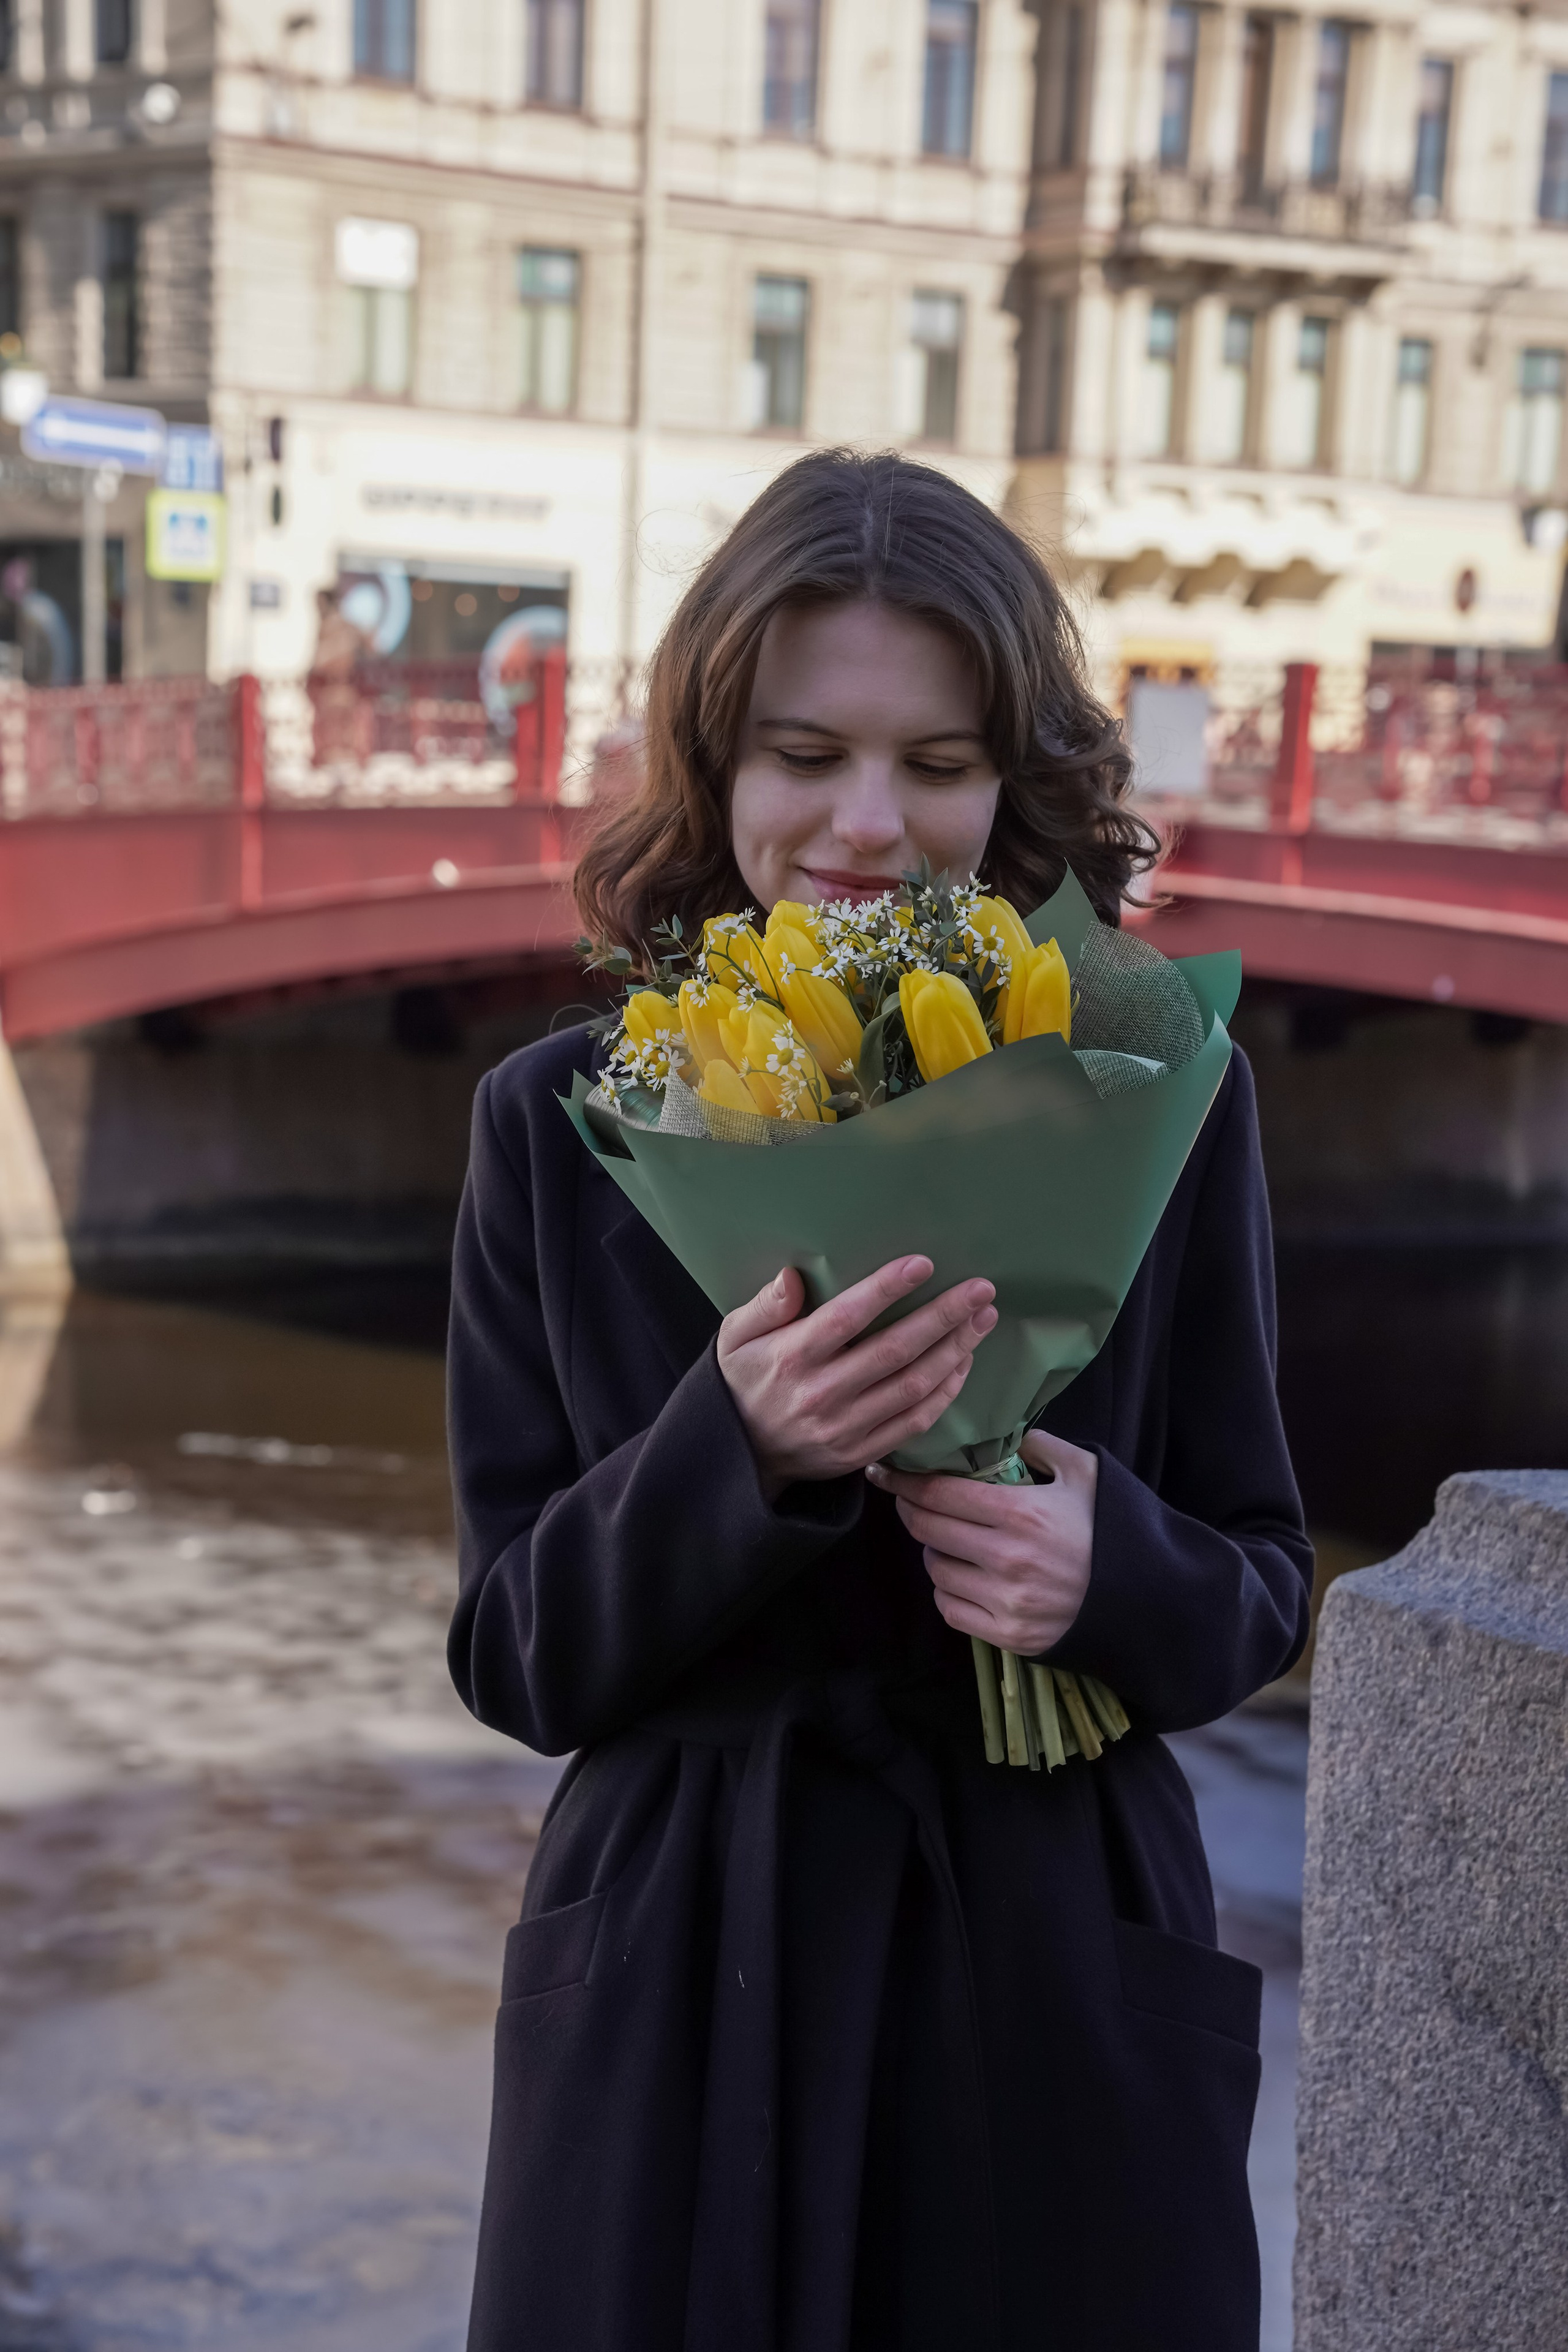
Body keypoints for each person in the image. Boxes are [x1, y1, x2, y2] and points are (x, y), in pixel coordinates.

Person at [447, 449, 1312, 2352]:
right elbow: (515, 1655)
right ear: (711, 762)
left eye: (937, 763)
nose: (867, 823)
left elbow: (1261, 1578)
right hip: (688, 1976)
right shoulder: (557, 1125)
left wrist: (1108, 1570)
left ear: (1018, 781)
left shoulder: (1159, 1087)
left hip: (1048, 1968)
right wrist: (732, 1453)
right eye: (802, 754)